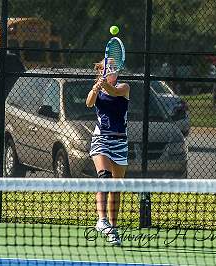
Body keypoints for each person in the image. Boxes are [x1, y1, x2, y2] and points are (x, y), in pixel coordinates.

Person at [85, 58, 130, 246]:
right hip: (101, 139)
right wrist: (96, 88)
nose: (112, 69)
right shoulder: (97, 86)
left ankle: (112, 228)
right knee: (104, 176)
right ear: (101, 70)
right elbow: (89, 103)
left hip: (120, 141)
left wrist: (105, 86)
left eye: (114, 67)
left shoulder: (124, 87)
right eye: (108, 67)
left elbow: (114, 92)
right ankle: (101, 220)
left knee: (116, 187)